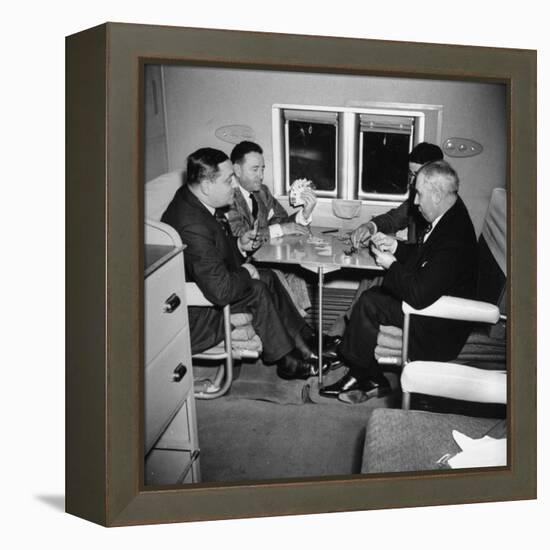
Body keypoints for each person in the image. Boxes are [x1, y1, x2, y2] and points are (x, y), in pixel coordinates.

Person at [161, 147, 329, 380]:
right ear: (207, 186)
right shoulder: (192, 224)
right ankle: (287, 360)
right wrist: (245, 272)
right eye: (229, 180)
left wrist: (239, 245)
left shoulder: (196, 199)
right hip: (194, 314)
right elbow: (220, 292)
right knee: (257, 288)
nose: (234, 185)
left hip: (206, 284)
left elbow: (216, 249)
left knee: (268, 275)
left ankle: (305, 341)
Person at [320, 160, 478, 402]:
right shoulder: (451, 212)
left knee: (370, 302)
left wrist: (391, 265)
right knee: (373, 296)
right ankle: (368, 374)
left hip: (441, 327)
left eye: (419, 195)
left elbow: (418, 294)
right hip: (435, 304)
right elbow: (427, 257)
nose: (415, 202)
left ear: (436, 195)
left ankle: (362, 373)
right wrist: (396, 247)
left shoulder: (454, 239)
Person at [328, 142, 444, 338]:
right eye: (411, 175)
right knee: (372, 270)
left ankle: (350, 327)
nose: (412, 182)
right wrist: (369, 227)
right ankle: (349, 321)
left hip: (422, 284)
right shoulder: (419, 198)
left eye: (418, 175)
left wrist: (396, 252)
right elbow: (393, 218)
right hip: (415, 266)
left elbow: (429, 259)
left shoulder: (441, 208)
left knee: (379, 275)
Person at [225, 140, 316, 315]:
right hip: (241, 263)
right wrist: (279, 230)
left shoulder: (262, 192)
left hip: (265, 255)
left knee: (297, 272)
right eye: (255, 169)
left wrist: (305, 213)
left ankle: (300, 322)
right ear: (237, 170)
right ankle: (298, 328)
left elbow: (282, 219)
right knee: (276, 273)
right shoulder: (228, 198)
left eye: (263, 169)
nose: (261, 175)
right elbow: (240, 235)